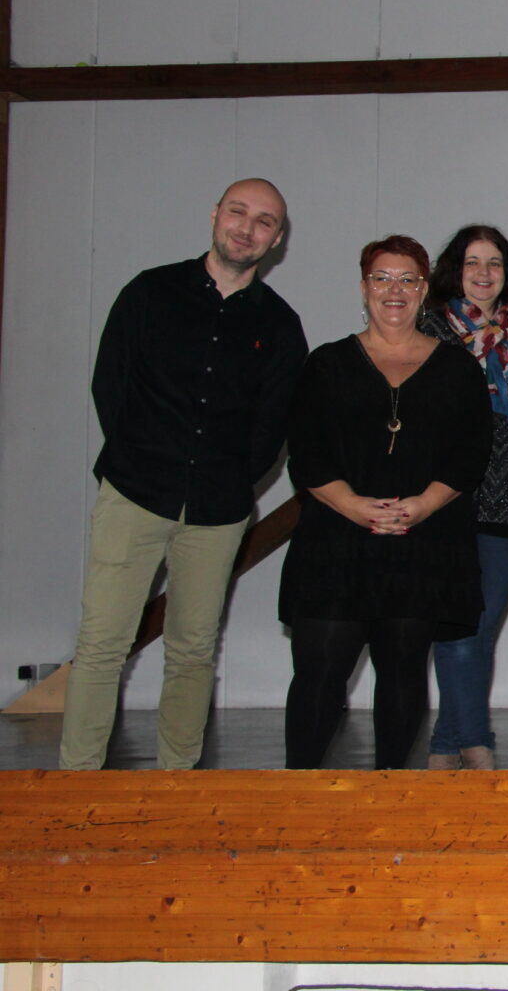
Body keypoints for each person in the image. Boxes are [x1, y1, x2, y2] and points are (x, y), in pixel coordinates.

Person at [60, 178, 307, 771]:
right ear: (215, 215)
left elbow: (272, 427)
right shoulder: (151, 292)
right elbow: (109, 384)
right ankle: (72, 788)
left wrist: (228, 481)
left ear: (276, 241)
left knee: (193, 652)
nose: (247, 228)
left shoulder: (279, 325)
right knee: (101, 647)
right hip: (134, 495)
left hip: (217, 511)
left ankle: (179, 786)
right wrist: (140, 456)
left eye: (264, 222)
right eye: (239, 213)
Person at [280, 235, 491, 769]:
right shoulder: (325, 364)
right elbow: (305, 455)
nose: (393, 290)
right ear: (363, 288)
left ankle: (391, 796)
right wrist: (352, 505)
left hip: (422, 544)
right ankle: (295, 796)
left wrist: (422, 506)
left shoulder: (459, 368)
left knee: (402, 677)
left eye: (407, 280)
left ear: (424, 292)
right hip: (336, 543)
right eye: (382, 278)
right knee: (319, 676)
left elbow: (470, 456)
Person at [419, 225, 508, 770]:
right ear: (454, 269)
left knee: (479, 630)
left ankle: (447, 747)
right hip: (444, 496)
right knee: (458, 626)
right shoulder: (429, 327)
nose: (484, 273)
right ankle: (478, 746)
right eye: (473, 262)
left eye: (495, 262)